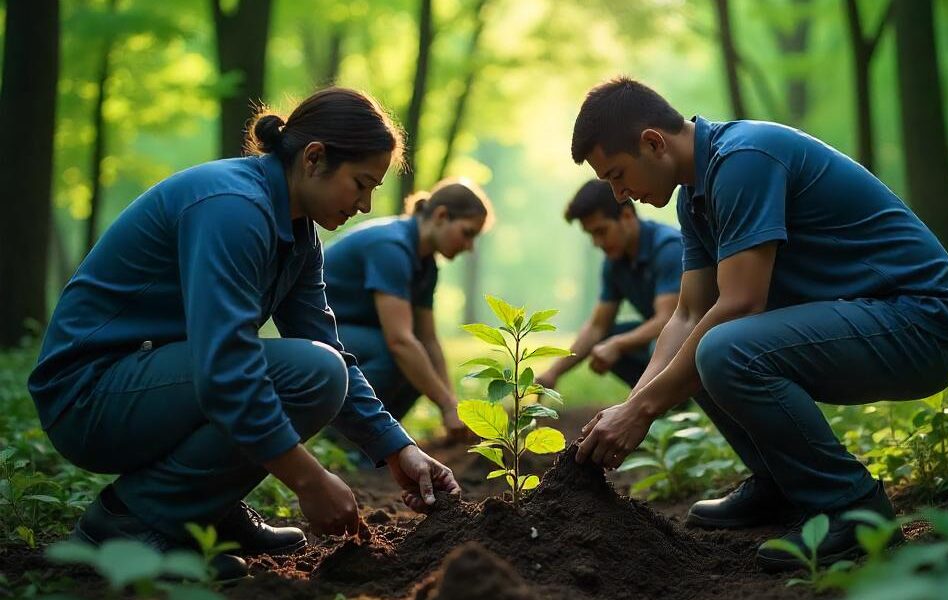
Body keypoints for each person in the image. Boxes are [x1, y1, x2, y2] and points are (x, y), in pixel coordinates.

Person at [28, 87, 461, 581]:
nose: (365, 205)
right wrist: (309, 480)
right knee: (312, 373)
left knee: (325, 367)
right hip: (89, 394)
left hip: (150, 380)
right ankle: (127, 522)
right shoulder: (233, 208)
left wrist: (397, 447)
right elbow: (226, 369)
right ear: (314, 158)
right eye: (361, 184)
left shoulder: (299, 234)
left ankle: (202, 507)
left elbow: (328, 345)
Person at [569, 77, 948, 571]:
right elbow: (688, 314)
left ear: (653, 142)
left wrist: (643, 410)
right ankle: (781, 485)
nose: (619, 195)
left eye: (617, 176)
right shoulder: (694, 196)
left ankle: (852, 507)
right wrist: (632, 405)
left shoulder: (744, 159)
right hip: (871, 319)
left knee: (723, 349)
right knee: (699, 348)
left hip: (921, 322)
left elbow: (741, 305)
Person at [323, 178, 493, 443]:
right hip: (317, 332)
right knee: (400, 356)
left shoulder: (426, 266)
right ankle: (341, 439)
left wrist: (452, 404)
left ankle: (378, 442)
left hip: (352, 334)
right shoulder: (392, 247)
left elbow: (429, 340)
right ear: (441, 216)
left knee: (420, 361)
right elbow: (400, 341)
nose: (470, 246)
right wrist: (446, 405)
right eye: (468, 233)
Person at [535, 179, 681, 390]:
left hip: (698, 336)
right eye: (591, 235)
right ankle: (662, 402)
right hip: (666, 337)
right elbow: (597, 327)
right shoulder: (615, 263)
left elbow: (669, 320)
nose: (597, 243)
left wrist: (618, 344)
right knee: (605, 340)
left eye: (601, 231)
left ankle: (661, 399)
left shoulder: (668, 248)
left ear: (627, 216)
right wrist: (553, 373)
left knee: (655, 343)